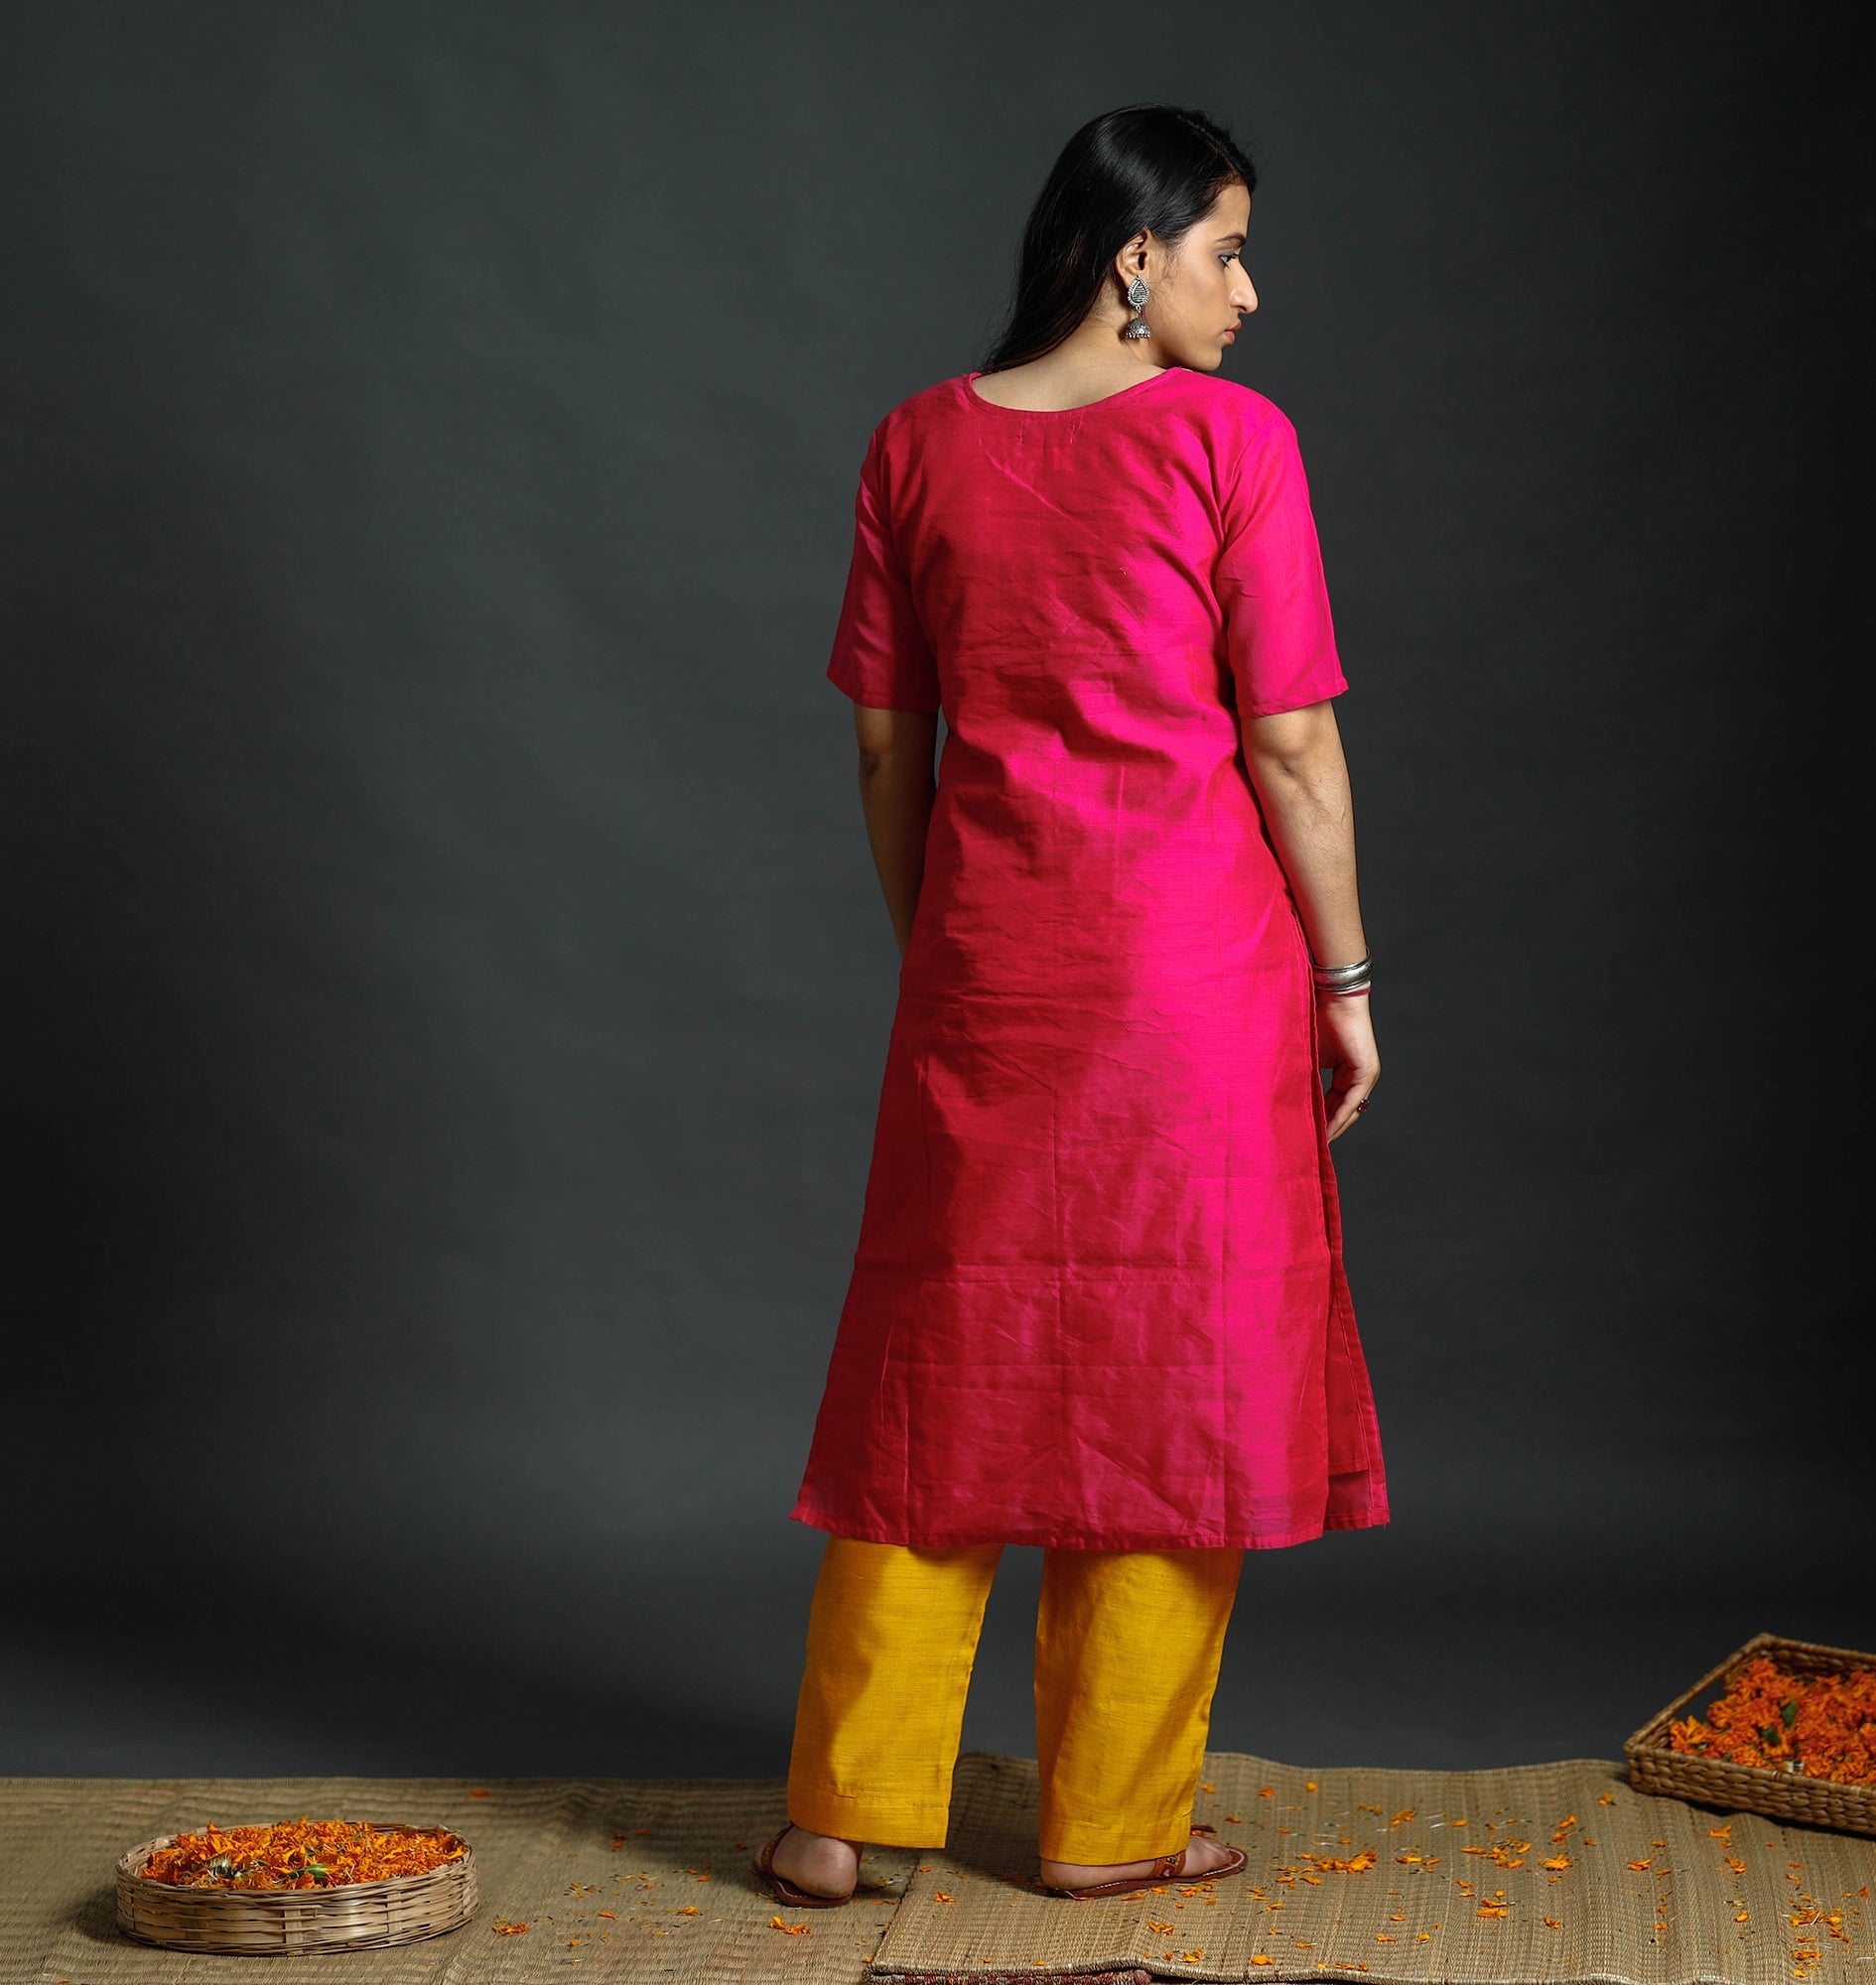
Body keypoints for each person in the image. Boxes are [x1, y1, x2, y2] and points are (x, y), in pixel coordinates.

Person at [756, 102, 1389, 1911]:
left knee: (933, 1375)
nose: (1247, 294)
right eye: (1227, 251)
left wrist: (948, 946)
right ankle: (1111, 1826)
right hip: (1196, 981)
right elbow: (1291, 742)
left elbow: (887, 748)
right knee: (1173, 1373)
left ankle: (842, 1813)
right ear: (1135, 255)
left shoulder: (915, 443)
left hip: (990, 977)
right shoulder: (1231, 442)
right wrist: (1347, 980)